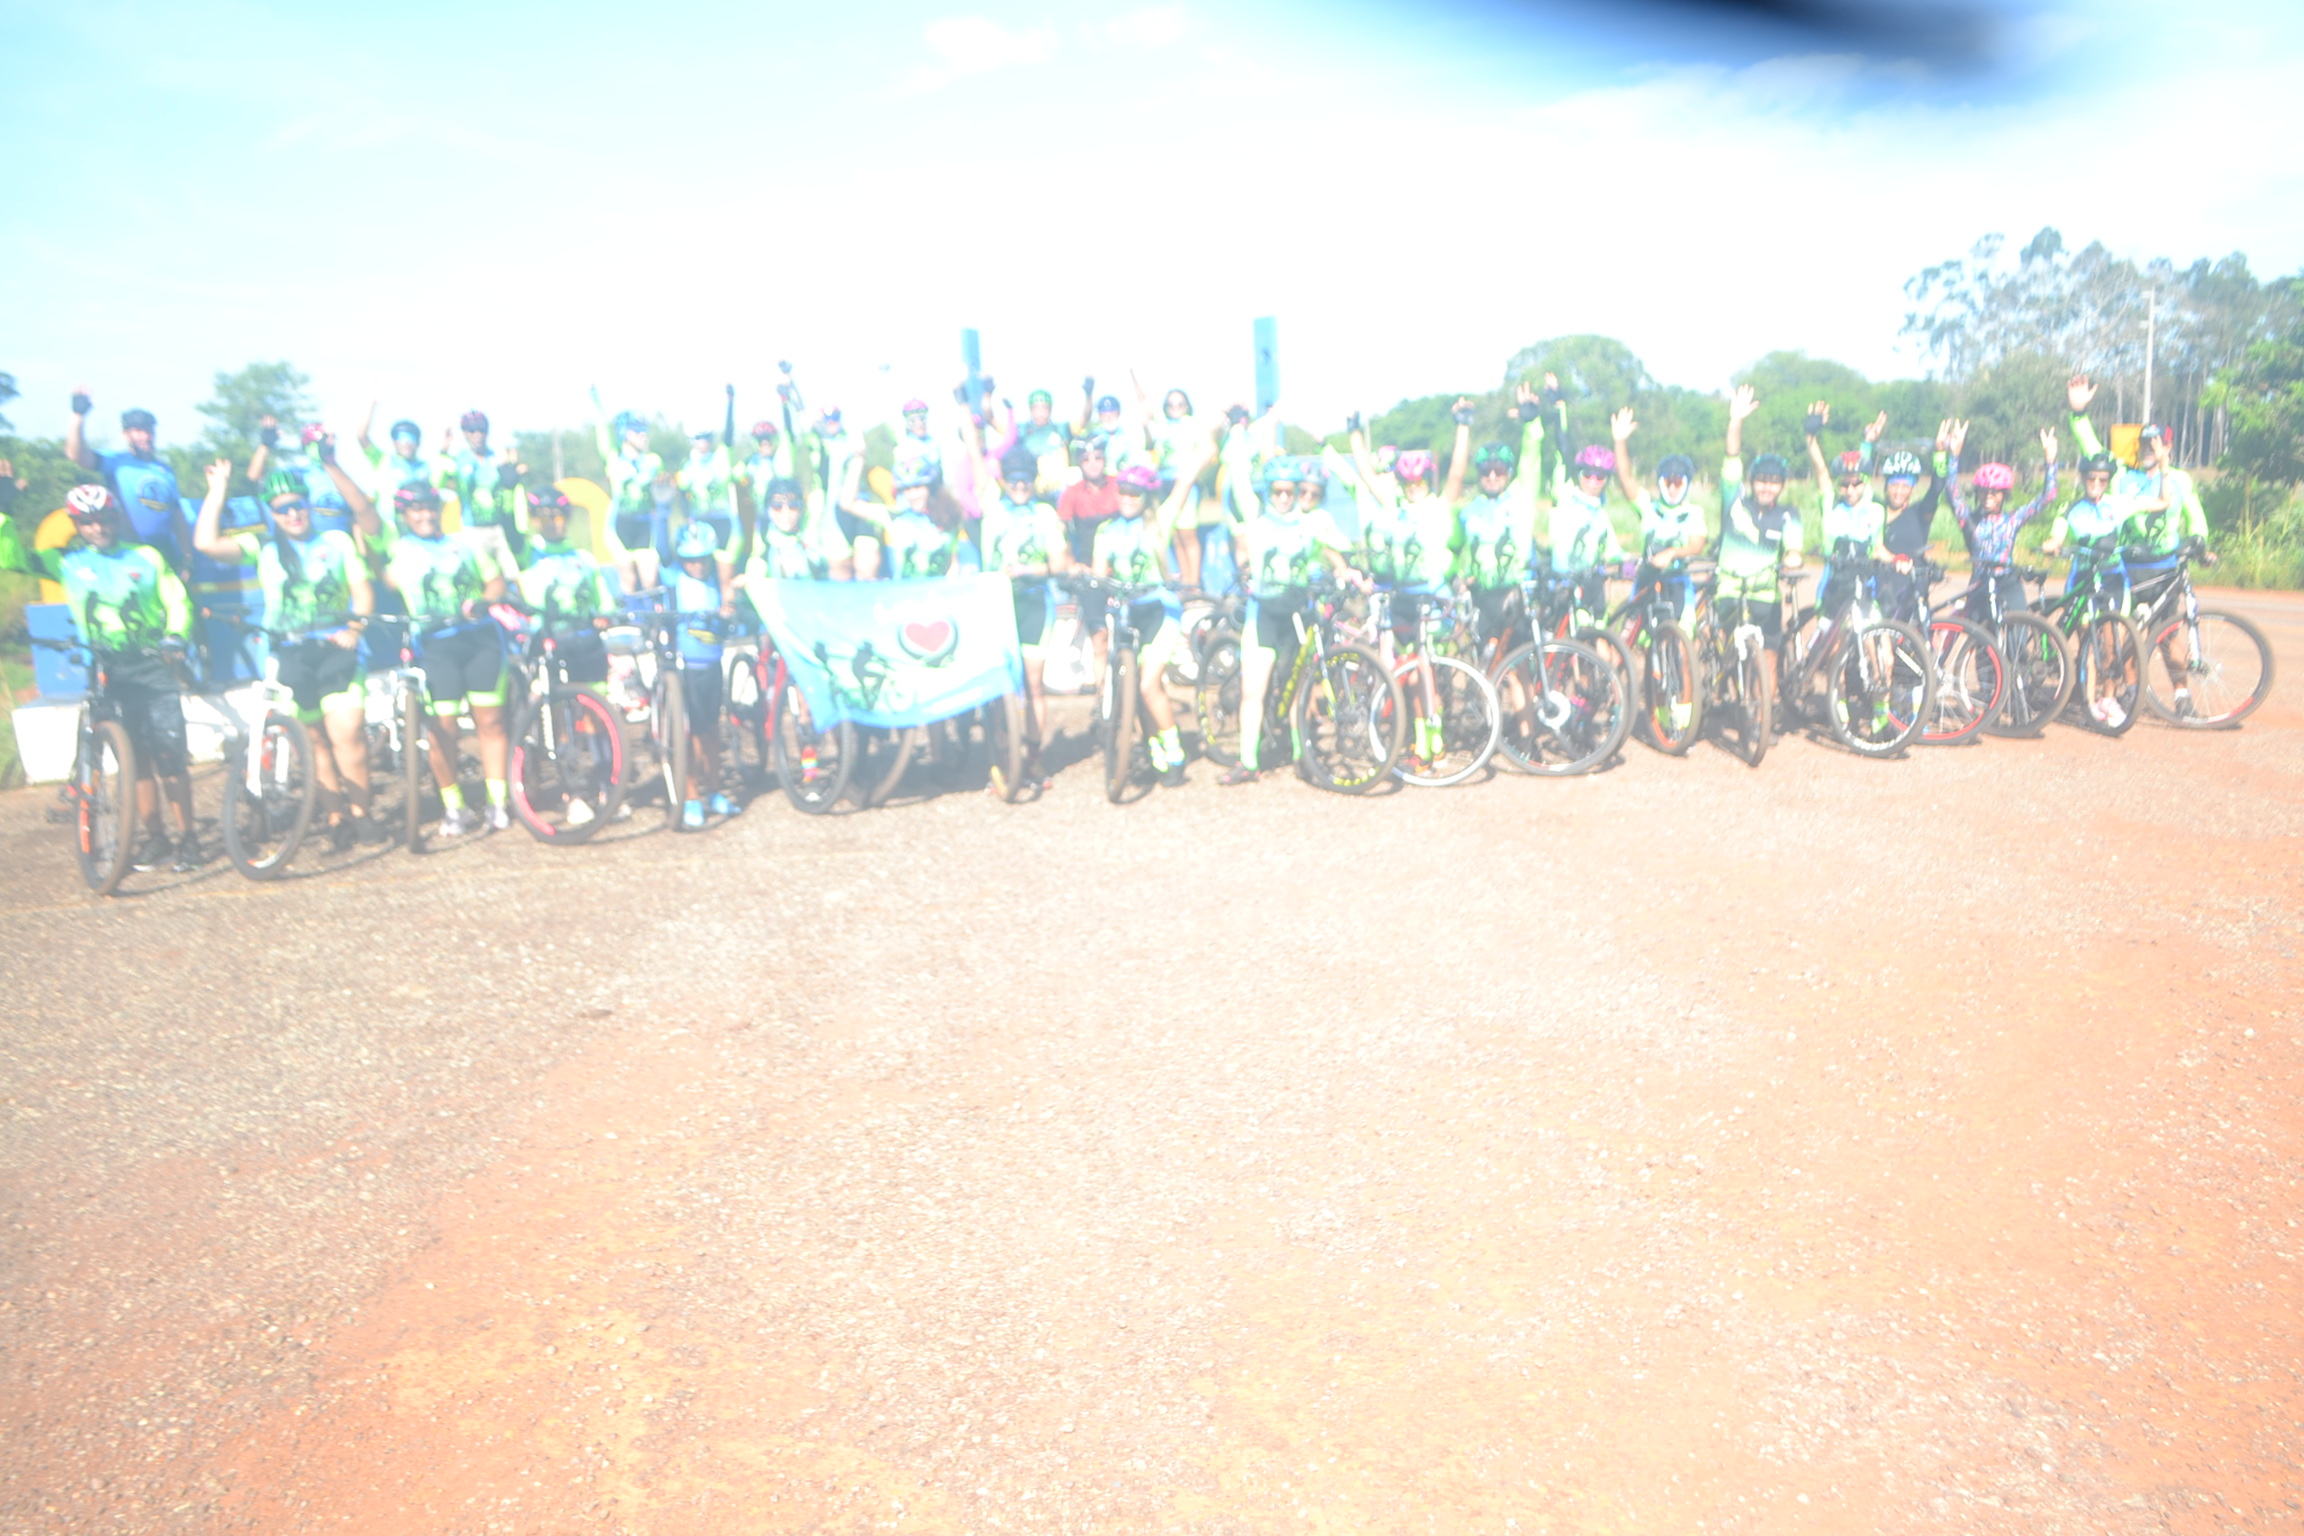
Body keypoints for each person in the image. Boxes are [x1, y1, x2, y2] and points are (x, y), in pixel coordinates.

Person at [192, 452, 384, 849]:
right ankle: (335, 817)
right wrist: (218, 490)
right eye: (282, 510)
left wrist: (355, 627)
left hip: (336, 646)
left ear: (308, 505)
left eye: (298, 505)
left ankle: (362, 813)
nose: (293, 514)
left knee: (347, 733)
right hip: (290, 654)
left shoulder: (337, 541)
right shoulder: (262, 546)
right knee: (313, 741)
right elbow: (205, 543)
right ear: (271, 513)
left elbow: (363, 592)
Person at [43, 484, 201, 870]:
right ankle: (156, 838)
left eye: (104, 519)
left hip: (152, 665)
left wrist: (176, 635)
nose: (97, 528)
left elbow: (175, 599)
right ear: (77, 525)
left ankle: (188, 839)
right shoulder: (68, 563)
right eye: (88, 522)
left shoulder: (145, 556)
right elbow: (7, 554)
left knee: (169, 758)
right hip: (106, 672)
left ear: (116, 519)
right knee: (137, 761)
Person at [1214, 430, 1359, 786]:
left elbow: (1333, 549)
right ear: (1269, 492)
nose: (1282, 497)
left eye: (1289, 492)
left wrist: (1349, 571)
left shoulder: (1310, 523)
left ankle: (1301, 756)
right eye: (1276, 491)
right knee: (1255, 690)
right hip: (1263, 613)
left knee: (1298, 689)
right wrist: (1236, 436)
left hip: (1297, 613)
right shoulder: (1258, 521)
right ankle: (1248, 761)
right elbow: (1238, 476)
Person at [377, 481, 510, 835]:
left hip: (479, 639)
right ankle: (454, 807)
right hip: (435, 646)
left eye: (430, 508)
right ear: (404, 515)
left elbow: (495, 581)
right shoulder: (398, 550)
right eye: (416, 510)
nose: (425, 515)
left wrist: (484, 600)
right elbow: (374, 548)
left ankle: (498, 802)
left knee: (491, 724)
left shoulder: (463, 543)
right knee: (443, 731)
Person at [1349, 420, 1461, 769]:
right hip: (1403, 601)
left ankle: (1434, 743)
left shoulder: (1438, 506)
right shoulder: (1394, 507)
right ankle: (1424, 744)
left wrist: (1462, 427)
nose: (1415, 487)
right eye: (1409, 482)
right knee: (1413, 675)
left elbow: (1457, 474)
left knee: (1424, 671)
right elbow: (1366, 475)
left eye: (1421, 481)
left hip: (1432, 599)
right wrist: (1354, 433)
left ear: (1429, 481)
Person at [1091, 462, 1202, 787]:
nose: (1127, 497)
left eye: (1134, 492)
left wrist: (1207, 442)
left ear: (1145, 495)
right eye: (1122, 491)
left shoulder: (1159, 521)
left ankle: (1175, 753)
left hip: (1161, 610)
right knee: (1139, 692)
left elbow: (1184, 484)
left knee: (1147, 684)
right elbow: (1100, 573)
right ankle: (1154, 752)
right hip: (1129, 613)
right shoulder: (1107, 531)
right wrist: (1097, 584)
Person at [976, 442, 1072, 754]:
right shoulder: (992, 509)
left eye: (1026, 479)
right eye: (1014, 479)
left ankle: (1032, 757)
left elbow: (1059, 566)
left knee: (1033, 686)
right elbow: (978, 459)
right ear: (1004, 480)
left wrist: (1027, 569)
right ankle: (1003, 755)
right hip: (995, 607)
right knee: (998, 688)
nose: (1020, 485)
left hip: (1032, 605)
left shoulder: (1044, 513)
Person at [1718, 384, 1805, 699]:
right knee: (1724, 646)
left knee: (1769, 654)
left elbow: (1794, 548)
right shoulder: (1735, 501)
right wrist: (1736, 421)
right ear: (1752, 482)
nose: (1767, 487)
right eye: (1762, 481)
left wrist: (1793, 558)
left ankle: (1761, 712)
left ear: (1781, 485)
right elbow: (1731, 455)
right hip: (1729, 591)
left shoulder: (1787, 515)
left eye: (1774, 482)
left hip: (1765, 596)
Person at [1451, 383, 1548, 653]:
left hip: (1514, 595)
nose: (1492, 476)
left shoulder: (1521, 497)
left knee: (1519, 669)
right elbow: (1455, 549)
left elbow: (1531, 456)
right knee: (1487, 666)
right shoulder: (1468, 509)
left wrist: (1531, 423)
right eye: (1486, 471)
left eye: (1499, 470)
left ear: (1507, 472)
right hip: (1481, 596)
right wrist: (1458, 579)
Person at [664, 520, 741, 830]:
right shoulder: (673, 579)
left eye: (702, 559)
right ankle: (692, 798)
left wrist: (728, 612)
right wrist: (664, 508)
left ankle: (715, 790)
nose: (697, 565)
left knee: (711, 732)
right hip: (686, 668)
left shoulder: (715, 581)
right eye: (690, 560)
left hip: (712, 664)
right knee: (690, 736)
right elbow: (658, 545)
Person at [66, 389, 189, 573]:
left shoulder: (165, 470)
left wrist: (187, 557)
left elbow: (177, 517)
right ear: (126, 434)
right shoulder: (115, 462)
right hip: (128, 550)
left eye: (148, 430)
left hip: (165, 550)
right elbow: (77, 455)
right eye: (138, 431)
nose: (145, 436)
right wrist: (78, 416)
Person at [1946, 421, 2059, 619]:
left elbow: (2048, 496)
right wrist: (1954, 455)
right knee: (1980, 639)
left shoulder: (2013, 519)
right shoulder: (1968, 518)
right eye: (1983, 491)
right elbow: (1952, 491)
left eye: (1995, 492)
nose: (1988, 496)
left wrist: (2051, 461)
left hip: (2008, 581)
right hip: (1980, 581)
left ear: (2004, 494)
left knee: (2020, 635)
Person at [1610, 407, 1707, 627]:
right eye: (1668, 482)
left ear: (1686, 484)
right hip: (1646, 581)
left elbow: (1697, 544)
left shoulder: (1693, 512)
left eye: (1678, 482)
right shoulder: (1648, 506)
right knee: (1637, 640)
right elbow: (1625, 478)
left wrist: (1672, 553)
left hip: (1678, 583)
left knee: (1683, 647)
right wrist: (1620, 442)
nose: (1673, 488)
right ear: (1660, 482)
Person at [1803, 405, 1885, 620]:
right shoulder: (1831, 506)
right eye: (1844, 485)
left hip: (1864, 589)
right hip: (1833, 587)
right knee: (1832, 648)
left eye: (1856, 484)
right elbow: (1820, 470)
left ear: (1864, 484)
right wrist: (1810, 435)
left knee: (1882, 649)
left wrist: (1903, 561)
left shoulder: (1874, 510)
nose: (1850, 490)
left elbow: (1878, 549)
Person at [592, 390, 667, 592]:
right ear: (624, 432)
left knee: (650, 579)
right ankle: (630, 621)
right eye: (636, 430)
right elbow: (602, 429)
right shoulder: (613, 457)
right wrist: (595, 397)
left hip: (644, 524)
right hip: (619, 523)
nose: (643, 434)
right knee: (628, 579)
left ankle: (653, 622)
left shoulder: (653, 461)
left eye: (644, 429)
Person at [438, 409, 527, 577]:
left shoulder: (497, 456)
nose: (477, 435)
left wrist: (511, 468)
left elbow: (510, 485)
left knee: (513, 575)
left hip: (499, 528)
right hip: (472, 529)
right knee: (484, 577)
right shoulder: (459, 458)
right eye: (471, 430)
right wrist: (443, 451)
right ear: (464, 433)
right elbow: (438, 481)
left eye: (481, 430)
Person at [855, 469, 976, 580]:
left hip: (935, 597)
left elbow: (953, 564)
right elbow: (848, 504)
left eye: (918, 486)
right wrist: (858, 459)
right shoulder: (896, 518)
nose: (913, 495)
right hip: (904, 598)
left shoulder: (947, 519)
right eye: (907, 489)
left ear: (930, 487)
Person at [676, 392, 740, 581]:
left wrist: (730, 402)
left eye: (707, 437)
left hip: (724, 519)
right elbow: (681, 493)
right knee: (704, 572)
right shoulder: (687, 467)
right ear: (692, 440)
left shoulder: (721, 456)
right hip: (701, 522)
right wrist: (688, 518)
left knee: (726, 571)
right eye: (699, 438)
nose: (703, 441)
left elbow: (728, 434)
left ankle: (728, 607)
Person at [358, 407, 437, 515]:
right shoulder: (382, 460)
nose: (406, 442)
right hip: (388, 525)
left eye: (411, 438)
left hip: (414, 526)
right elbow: (362, 437)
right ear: (394, 442)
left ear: (418, 442)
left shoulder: (426, 467)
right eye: (400, 437)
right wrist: (372, 404)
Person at [1057, 435, 1121, 567]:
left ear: (1105, 460)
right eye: (1086, 460)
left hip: (1119, 559)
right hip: (1086, 563)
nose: (1093, 464)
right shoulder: (1072, 492)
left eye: (1097, 458)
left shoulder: (1118, 485)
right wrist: (1071, 563)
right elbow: (1062, 530)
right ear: (1080, 464)